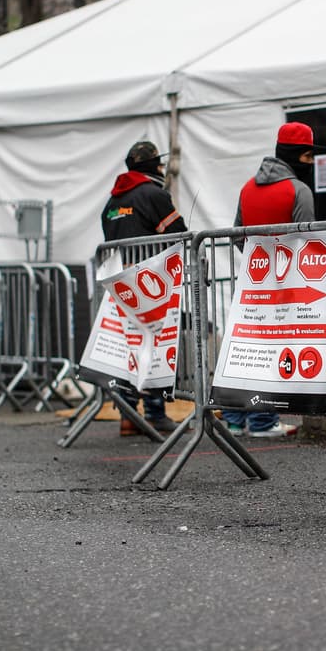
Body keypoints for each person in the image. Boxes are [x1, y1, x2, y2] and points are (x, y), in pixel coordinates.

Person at [223, 122, 323, 438]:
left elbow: (237, 234)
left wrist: (258, 260)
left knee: (245, 348)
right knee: (273, 348)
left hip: (252, 282)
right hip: (285, 284)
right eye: (308, 156)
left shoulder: (246, 188)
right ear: (296, 156)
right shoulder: (299, 190)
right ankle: (263, 422)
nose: (311, 163)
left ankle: (234, 420)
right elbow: (306, 239)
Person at [101, 140, 186, 436]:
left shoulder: (112, 203)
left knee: (131, 348)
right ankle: (154, 414)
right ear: (151, 166)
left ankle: (128, 416)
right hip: (151, 286)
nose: (162, 168)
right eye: (159, 163)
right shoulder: (154, 194)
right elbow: (178, 235)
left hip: (121, 286)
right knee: (155, 347)